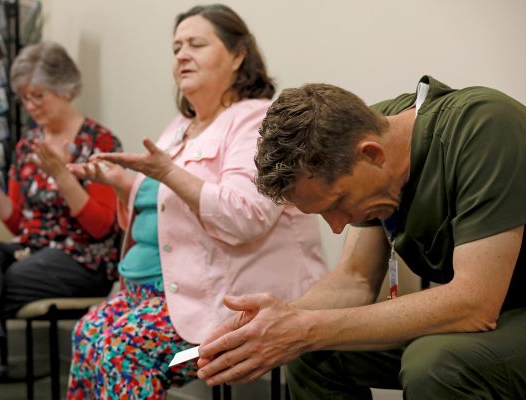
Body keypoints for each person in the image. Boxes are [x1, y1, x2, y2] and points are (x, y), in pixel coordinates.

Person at [196, 75, 526, 399]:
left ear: (371, 154)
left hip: (503, 308)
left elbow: (474, 305)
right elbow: (354, 279)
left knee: (434, 362)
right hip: (490, 310)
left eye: (337, 204)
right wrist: (279, 323)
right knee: (310, 354)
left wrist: (305, 330)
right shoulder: (363, 135)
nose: (337, 227)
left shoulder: (484, 128)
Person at [65, 4, 327, 399]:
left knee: (121, 351)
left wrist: (166, 173)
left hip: (228, 305)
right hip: (158, 294)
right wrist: (122, 185)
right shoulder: (179, 128)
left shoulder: (257, 120)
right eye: (176, 48)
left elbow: (247, 217)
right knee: (87, 335)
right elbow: (166, 214)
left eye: (196, 44)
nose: (182, 54)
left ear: (238, 55)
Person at [0, 42, 122, 400]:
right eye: (24, 99)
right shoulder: (27, 144)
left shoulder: (100, 141)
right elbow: (19, 225)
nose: (31, 106)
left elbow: (103, 226)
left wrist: (63, 177)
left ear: (65, 88)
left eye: (38, 96)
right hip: (33, 254)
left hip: (83, 260)